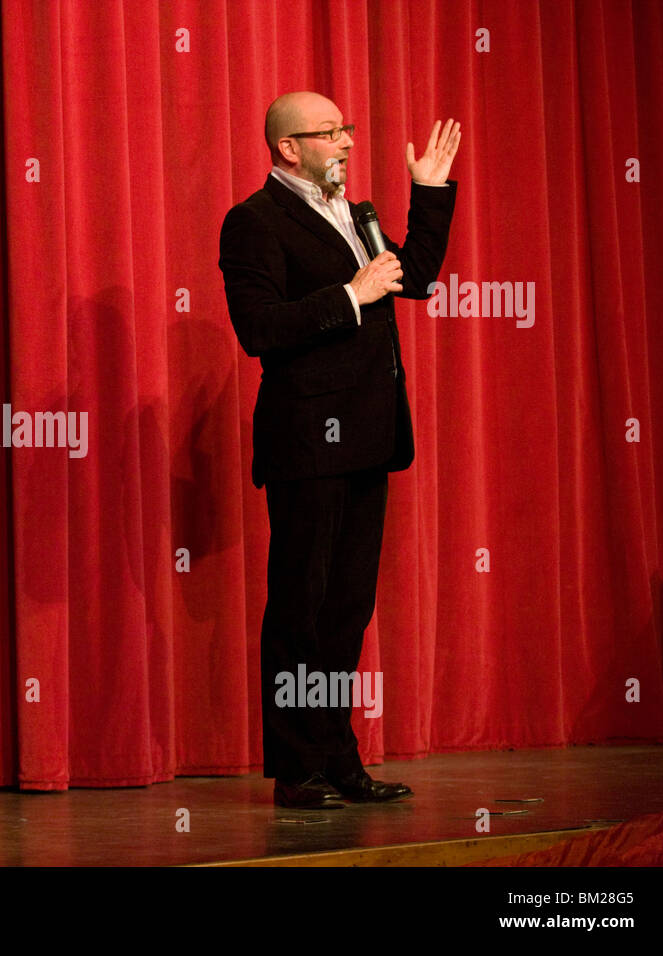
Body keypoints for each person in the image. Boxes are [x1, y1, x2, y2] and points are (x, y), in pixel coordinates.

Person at [218, 91, 460, 809]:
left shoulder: (357, 216)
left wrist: (429, 194)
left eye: (348, 129)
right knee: (302, 603)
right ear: (289, 148)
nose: (347, 144)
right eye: (329, 134)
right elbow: (258, 327)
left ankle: (339, 757)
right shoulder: (253, 222)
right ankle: (297, 769)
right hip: (307, 442)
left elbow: (411, 279)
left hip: (370, 437)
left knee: (347, 608)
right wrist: (349, 295)